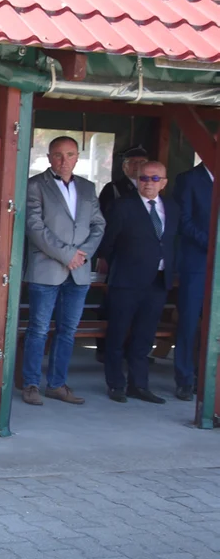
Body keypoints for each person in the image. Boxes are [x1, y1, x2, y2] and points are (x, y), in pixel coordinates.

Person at [21, 136, 105, 406]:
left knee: (68, 331)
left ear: (77, 157)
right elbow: (34, 227)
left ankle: (57, 384)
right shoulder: (35, 185)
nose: (64, 160)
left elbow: (98, 225)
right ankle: (31, 384)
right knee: (39, 329)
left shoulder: (88, 187)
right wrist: (68, 254)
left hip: (79, 271)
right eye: (58, 155)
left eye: (69, 154)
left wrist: (82, 255)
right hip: (46, 269)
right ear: (48, 157)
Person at [97, 161, 179, 404]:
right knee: (118, 333)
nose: (149, 183)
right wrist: (123, 266)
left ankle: (139, 385)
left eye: (155, 179)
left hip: (158, 281)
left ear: (163, 183)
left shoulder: (172, 208)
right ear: (137, 181)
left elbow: (173, 242)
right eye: (144, 178)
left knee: (144, 336)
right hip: (126, 281)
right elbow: (107, 244)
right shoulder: (122, 206)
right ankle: (116, 384)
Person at [174, 160, 215, 401]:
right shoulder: (188, 179)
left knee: (215, 326)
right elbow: (184, 221)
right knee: (189, 321)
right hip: (196, 262)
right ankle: (185, 379)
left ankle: (208, 378)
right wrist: (212, 245)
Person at [99, 144, 149, 218]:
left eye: (142, 162)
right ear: (124, 166)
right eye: (133, 162)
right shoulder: (112, 188)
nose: (138, 165)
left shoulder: (153, 185)